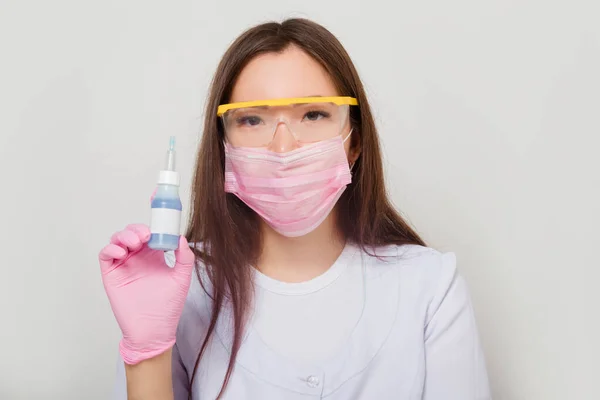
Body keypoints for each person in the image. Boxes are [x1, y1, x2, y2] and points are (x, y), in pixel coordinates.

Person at [99, 18, 491, 400]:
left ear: (354, 141)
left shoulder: (431, 287)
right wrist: (146, 353)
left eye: (314, 115)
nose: (283, 148)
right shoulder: (178, 291)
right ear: (224, 148)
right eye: (252, 119)